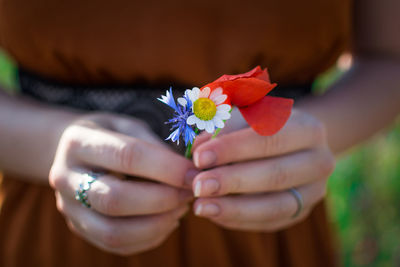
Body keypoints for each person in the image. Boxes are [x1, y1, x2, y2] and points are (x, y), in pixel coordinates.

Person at [0, 0, 399, 266]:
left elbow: (390, 59)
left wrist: (307, 141)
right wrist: (49, 144)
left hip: (266, 224)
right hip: (55, 224)